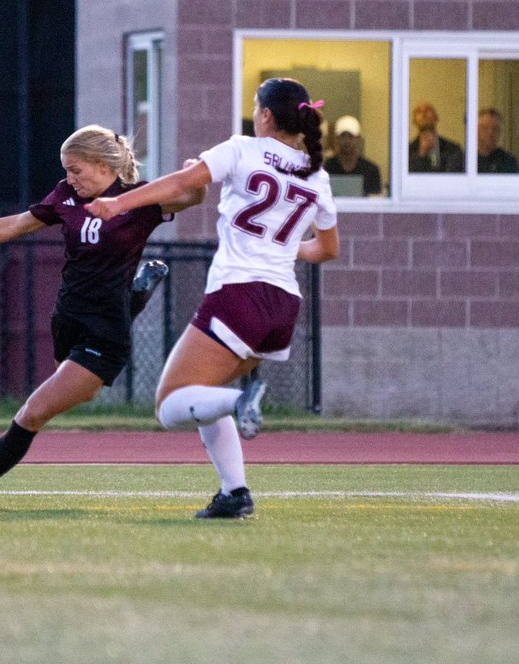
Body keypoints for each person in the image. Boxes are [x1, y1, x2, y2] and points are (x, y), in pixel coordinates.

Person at [87, 78, 340, 519]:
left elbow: (182, 183)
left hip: (239, 296)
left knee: (169, 405)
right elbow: (328, 249)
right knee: (203, 394)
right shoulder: (316, 175)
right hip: (283, 306)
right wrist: (280, 247)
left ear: (266, 115)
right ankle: (234, 493)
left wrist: (118, 204)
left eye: (256, 108)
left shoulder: (244, 148)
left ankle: (243, 402)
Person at [0, 125, 205, 510]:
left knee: (33, 412)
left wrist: (196, 179)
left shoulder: (138, 200)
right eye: (67, 170)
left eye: (76, 170)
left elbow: (190, 197)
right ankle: (136, 295)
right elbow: (17, 224)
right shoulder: (65, 196)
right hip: (67, 318)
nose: (70, 178)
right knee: (76, 390)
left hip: (105, 332)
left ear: (103, 165)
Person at [324, 114, 383, 195]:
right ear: (336, 139)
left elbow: (374, 199)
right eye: (342, 136)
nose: (346, 141)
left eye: (351, 136)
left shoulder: (371, 170)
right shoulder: (326, 168)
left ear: (359, 139)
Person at [408, 101, 464, 173]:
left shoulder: (453, 149)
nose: (424, 114)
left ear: (436, 117)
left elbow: (455, 174)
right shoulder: (407, 151)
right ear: (414, 121)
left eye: (428, 110)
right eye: (419, 111)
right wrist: (422, 154)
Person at [477, 107, 519, 173]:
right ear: (476, 130)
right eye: (485, 128)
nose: (490, 133)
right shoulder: (466, 160)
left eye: (495, 129)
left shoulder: (508, 162)